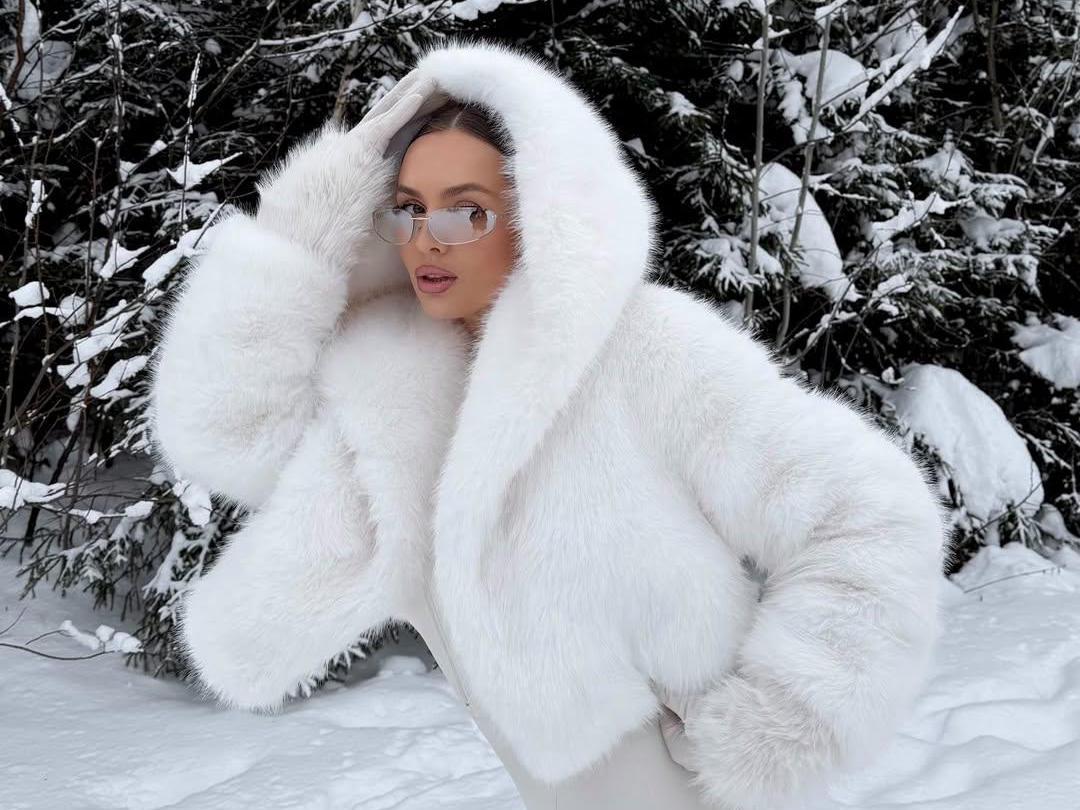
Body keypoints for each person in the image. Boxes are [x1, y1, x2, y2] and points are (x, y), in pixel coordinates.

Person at [148, 39, 952, 810]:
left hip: (702, 787)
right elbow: (222, 430)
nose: (426, 240)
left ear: (540, 214)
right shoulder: (390, 389)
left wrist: (785, 718)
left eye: (466, 212)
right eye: (408, 210)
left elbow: (869, 513)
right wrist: (309, 218)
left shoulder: (645, 346)